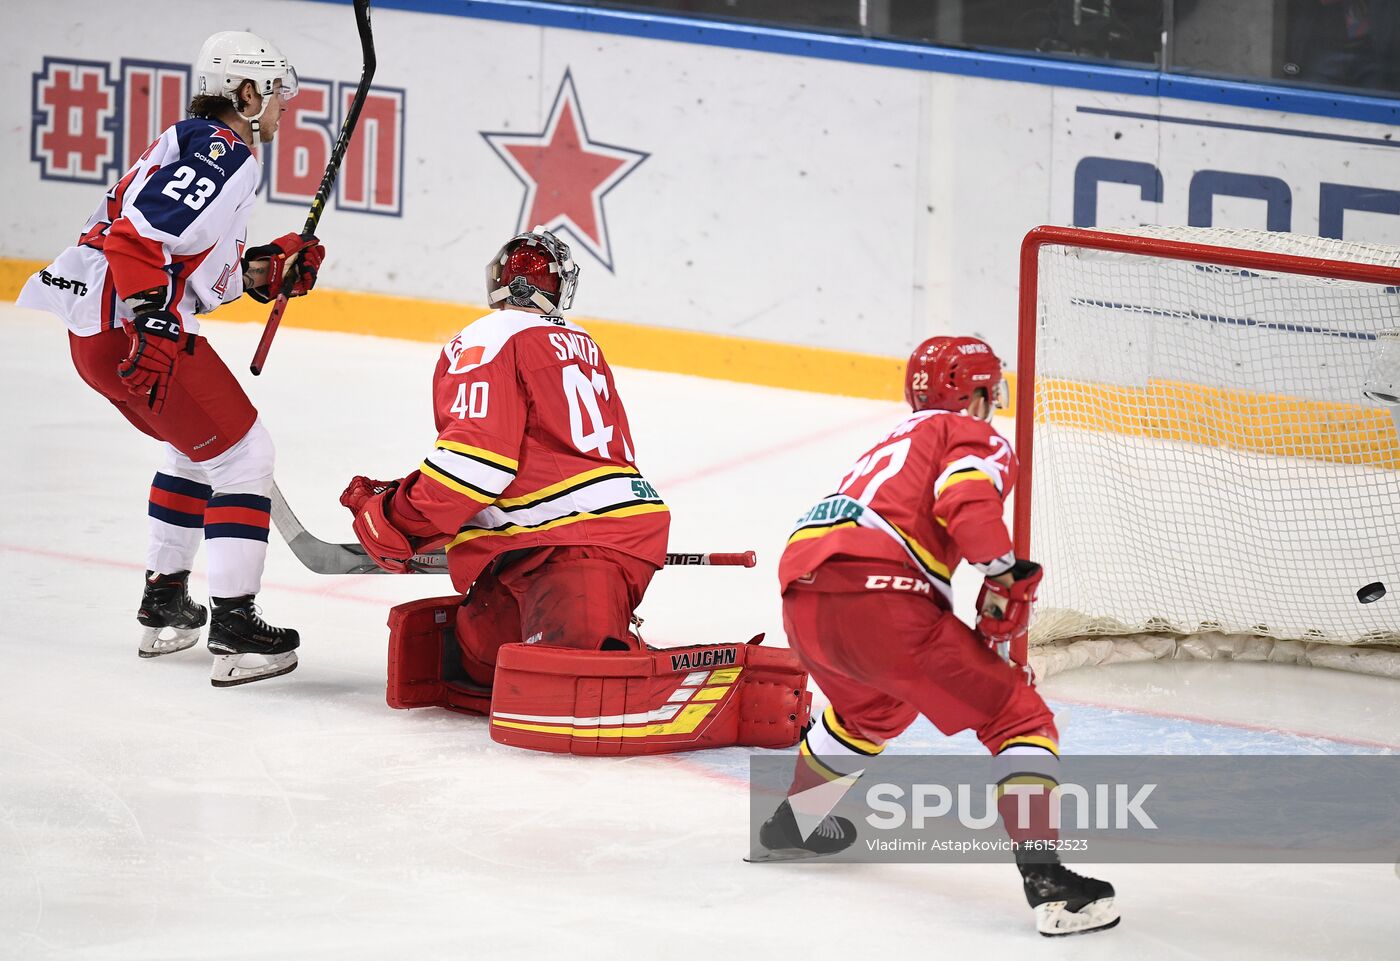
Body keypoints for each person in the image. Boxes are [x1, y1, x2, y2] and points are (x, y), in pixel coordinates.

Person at [759, 336, 1119, 937]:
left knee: (869, 713)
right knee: (1018, 715)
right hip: (881, 597)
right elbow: (966, 499)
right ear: (976, 394)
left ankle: (792, 825)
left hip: (803, 595)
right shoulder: (967, 434)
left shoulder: (891, 441)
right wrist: (1003, 570)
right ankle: (1051, 884)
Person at [17, 31, 325, 687]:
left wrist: (262, 271)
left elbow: (178, 259)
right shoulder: (223, 148)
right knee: (246, 456)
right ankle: (237, 627)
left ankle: (165, 607)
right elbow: (139, 238)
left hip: (98, 337)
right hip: (133, 329)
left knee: (197, 451)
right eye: (272, 98)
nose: (278, 112)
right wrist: (155, 318)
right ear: (245, 94)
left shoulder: (193, 143)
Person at [341, 228, 672, 693]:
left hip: (571, 546)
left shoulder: (487, 338)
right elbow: (552, 455)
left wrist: (398, 521)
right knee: (482, 661)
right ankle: (607, 634)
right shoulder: (582, 342)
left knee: (570, 683)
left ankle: (616, 648)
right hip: (576, 539)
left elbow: (476, 465)